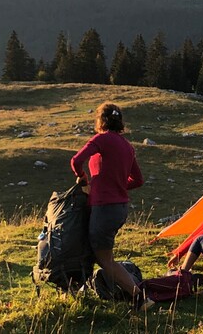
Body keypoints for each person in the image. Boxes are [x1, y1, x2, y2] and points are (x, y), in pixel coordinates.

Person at [71, 102, 147, 308]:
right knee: (98, 252)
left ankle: (139, 297)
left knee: (105, 259)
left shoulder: (101, 140)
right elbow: (138, 180)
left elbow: (76, 161)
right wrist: (118, 185)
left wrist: (84, 178)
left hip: (105, 208)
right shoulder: (126, 146)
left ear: (101, 120)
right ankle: (87, 291)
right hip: (119, 207)